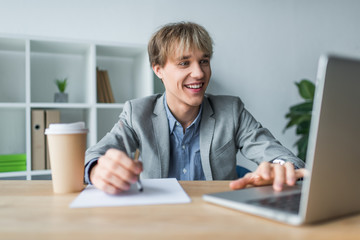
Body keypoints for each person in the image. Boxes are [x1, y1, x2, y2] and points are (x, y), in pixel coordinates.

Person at [84, 22, 306, 194]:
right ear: (158, 69)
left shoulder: (231, 110)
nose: (199, 73)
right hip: (159, 220)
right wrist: (97, 169)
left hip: (218, 221)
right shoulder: (137, 113)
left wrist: (280, 166)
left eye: (204, 61)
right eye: (184, 63)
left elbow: (279, 155)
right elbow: (94, 156)